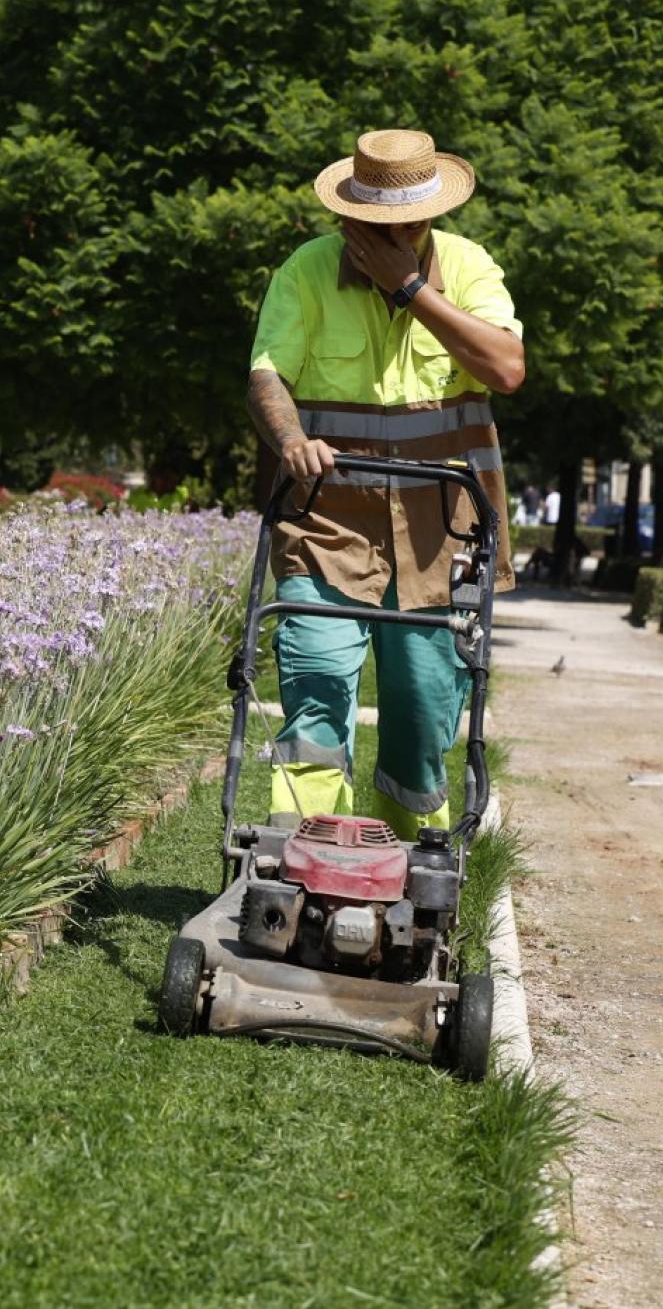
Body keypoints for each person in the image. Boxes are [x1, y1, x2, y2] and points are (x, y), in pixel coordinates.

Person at [246, 129, 525, 836]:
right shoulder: (305, 272)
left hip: (445, 536)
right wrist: (291, 440)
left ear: (425, 220)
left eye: (398, 227)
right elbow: (266, 372)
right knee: (314, 681)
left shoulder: (468, 269)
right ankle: (303, 858)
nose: (375, 237)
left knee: (424, 707)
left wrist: (410, 288)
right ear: (347, 217)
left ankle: (401, 856)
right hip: (326, 524)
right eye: (366, 226)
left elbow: (507, 370)